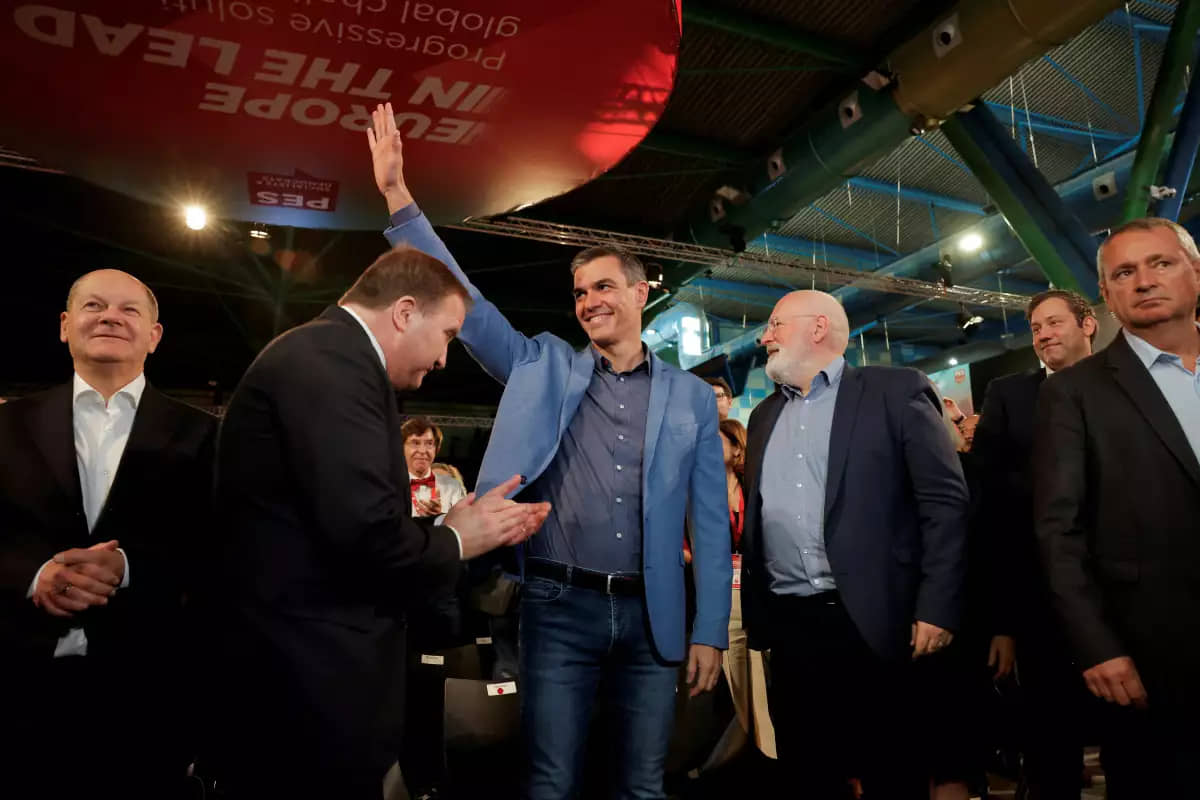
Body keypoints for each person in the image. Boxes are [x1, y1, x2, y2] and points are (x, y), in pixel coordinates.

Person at [369, 102, 730, 800]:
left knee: (643, 786)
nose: (589, 301)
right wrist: (398, 198)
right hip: (557, 608)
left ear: (640, 292)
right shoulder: (541, 365)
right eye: (579, 292)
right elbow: (467, 302)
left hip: (654, 618)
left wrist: (710, 629)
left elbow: (710, 523)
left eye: (604, 286)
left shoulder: (690, 397)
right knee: (551, 783)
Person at [212, 245, 551, 800]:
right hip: (306, 684)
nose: (443, 360)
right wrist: (457, 539)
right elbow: (367, 537)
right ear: (404, 312)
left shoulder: (327, 356)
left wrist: (448, 529)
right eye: (447, 335)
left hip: (305, 672)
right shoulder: (333, 364)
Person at [739, 290, 968, 799]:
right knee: (807, 774)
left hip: (877, 623)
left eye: (775, 324)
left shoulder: (894, 391)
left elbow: (944, 503)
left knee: (893, 773)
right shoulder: (763, 417)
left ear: (818, 328)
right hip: (792, 627)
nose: (764, 336)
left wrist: (938, 605)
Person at [0, 269, 217, 798]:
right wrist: (34, 575)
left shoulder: (208, 436)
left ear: (154, 336)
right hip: (16, 681)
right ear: (65, 325)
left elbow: (222, 548)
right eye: (94, 305)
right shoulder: (6, 425)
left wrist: (129, 568)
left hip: (148, 689)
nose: (110, 317)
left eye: (129, 310)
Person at [1034, 217, 1200, 798]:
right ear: (1106, 296)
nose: (1144, 281)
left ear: (1195, 271)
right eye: (1124, 273)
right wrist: (1097, 648)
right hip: (1151, 663)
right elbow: (1059, 532)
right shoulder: (1073, 392)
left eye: (1161, 263)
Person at [972, 289, 1098, 798]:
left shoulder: (1124, 385)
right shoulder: (1009, 394)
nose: (1043, 335)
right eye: (1035, 328)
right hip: (1039, 593)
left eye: (1053, 323)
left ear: (1088, 324)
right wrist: (1002, 619)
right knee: (1051, 736)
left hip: (1125, 589)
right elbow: (991, 507)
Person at [402, 416, 467, 516]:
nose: (422, 451)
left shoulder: (453, 487)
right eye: (415, 443)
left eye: (429, 443)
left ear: (436, 449)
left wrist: (440, 517)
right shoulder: (390, 487)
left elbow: (463, 523)